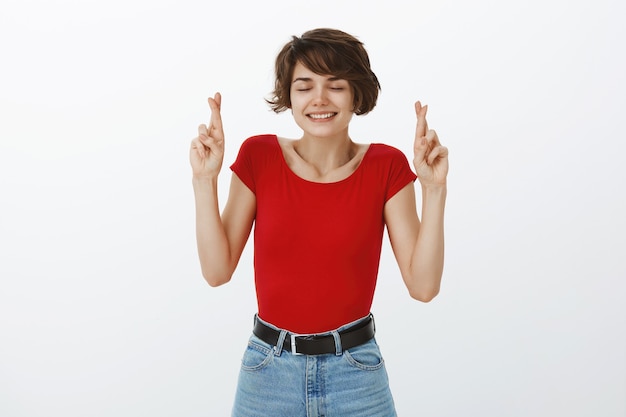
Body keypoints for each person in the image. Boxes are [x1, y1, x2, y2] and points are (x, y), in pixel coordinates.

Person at [189, 28, 448, 417]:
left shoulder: (387, 166)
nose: (319, 100)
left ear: (357, 94)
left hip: (357, 375)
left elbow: (424, 287)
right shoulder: (259, 157)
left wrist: (434, 190)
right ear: (288, 97)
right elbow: (216, 270)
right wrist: (204, 179)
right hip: (268, 375)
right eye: (304, 86)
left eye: (336, 86)